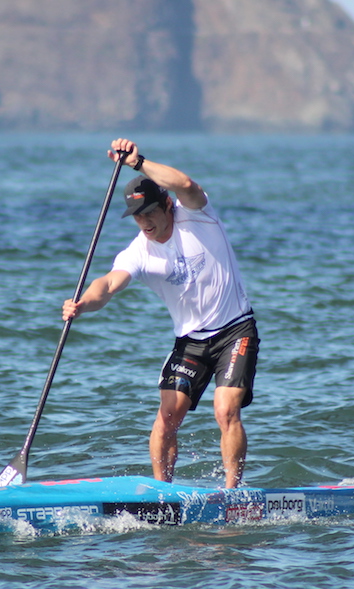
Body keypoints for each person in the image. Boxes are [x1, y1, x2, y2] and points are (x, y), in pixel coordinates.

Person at [63, 138, 259, 489]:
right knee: (167, 418)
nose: (145, 223)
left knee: (226, 409)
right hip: (190, 342)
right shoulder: (139, 252)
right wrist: (82, 305)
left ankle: (232, 494)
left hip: (235, 330)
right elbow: (107, 285)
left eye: (150, 212)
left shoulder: (199, 216)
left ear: (167, 205)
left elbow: (186, 185)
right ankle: (164, 495)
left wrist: (138, 164)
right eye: (137, 217)